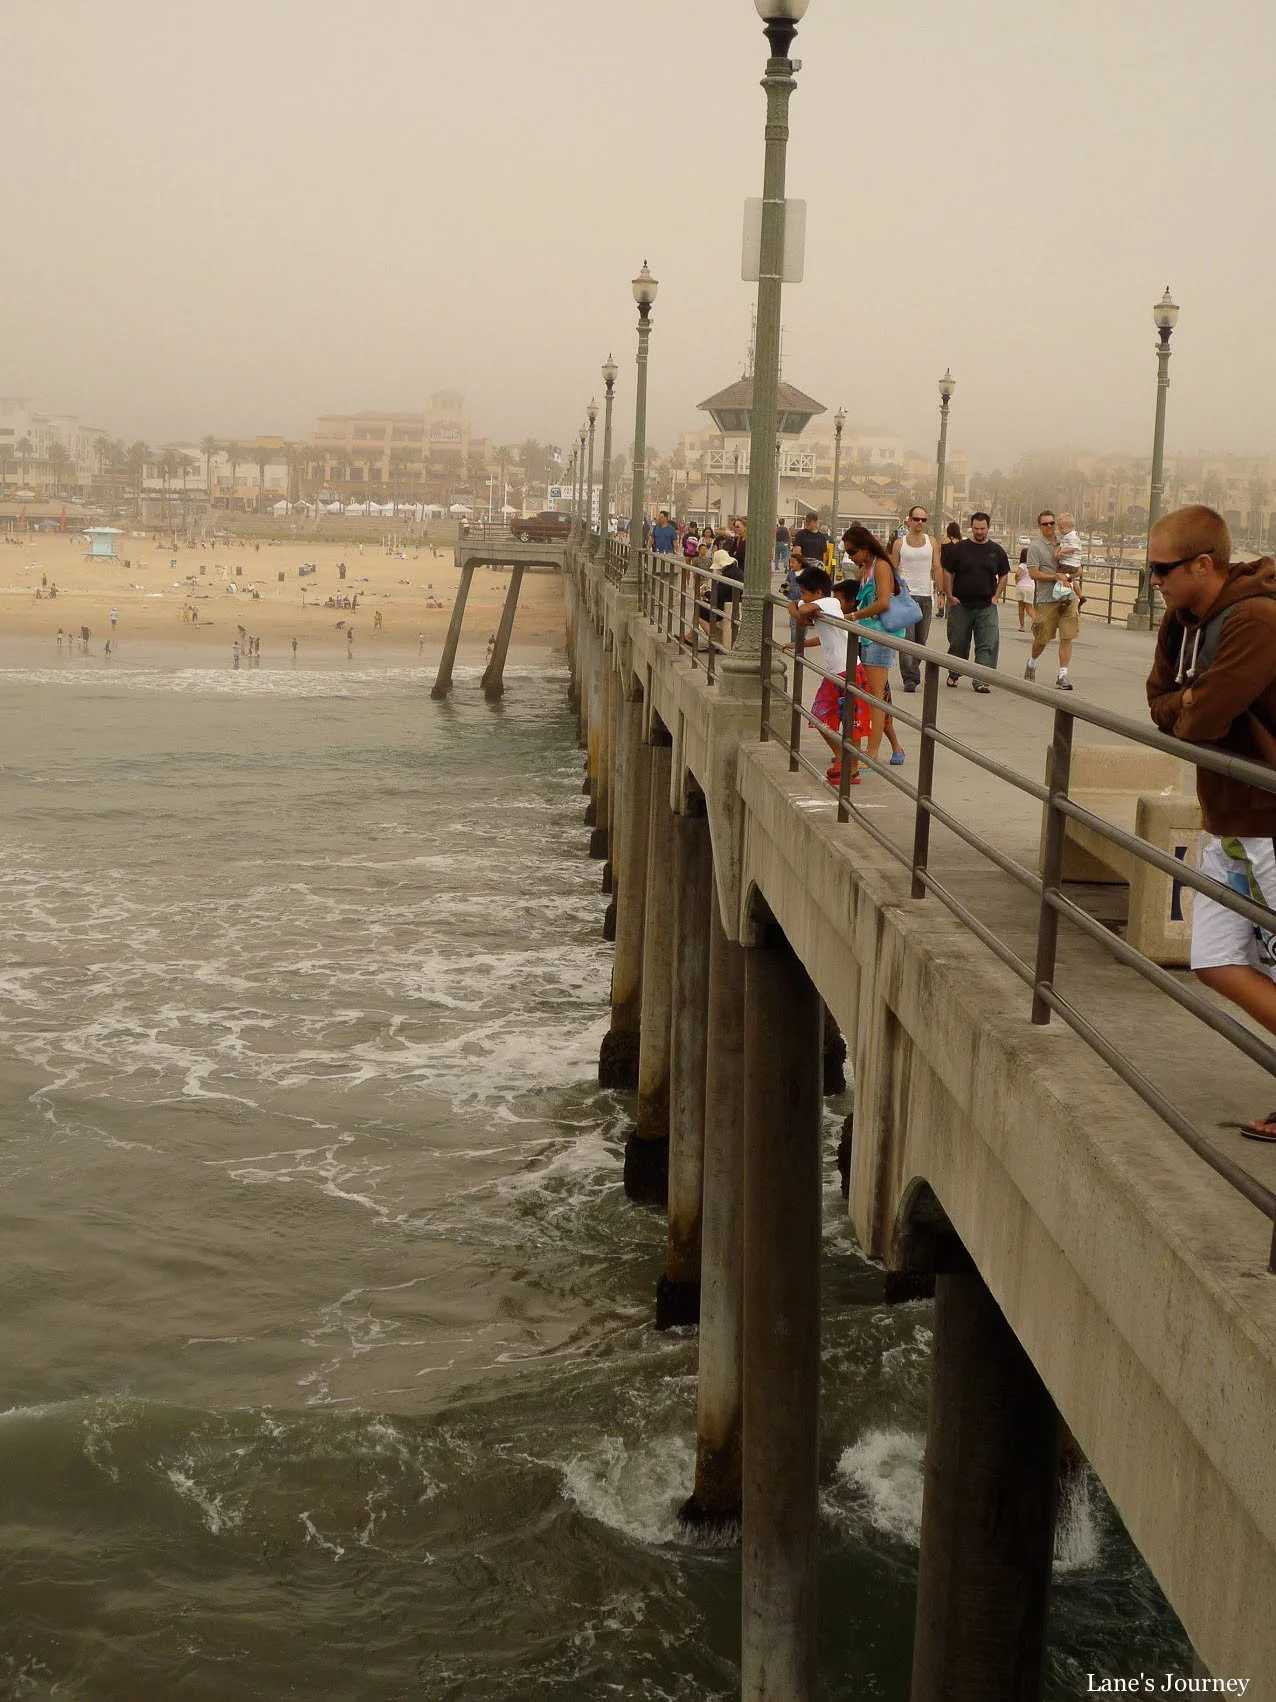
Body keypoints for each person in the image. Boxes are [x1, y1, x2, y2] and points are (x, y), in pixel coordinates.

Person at [1145, 505, 1276, 1140]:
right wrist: (1189, 701)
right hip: (1225, 815)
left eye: (1162, 569)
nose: (1153, 582)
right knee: (1215, 960)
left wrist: (1190, 705)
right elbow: (1158, 705)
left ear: (1203, 564)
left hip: (1269, 820)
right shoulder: (1180, 621)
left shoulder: (1257, 619)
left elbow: (1200, 722)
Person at [840, 524, 899, 771]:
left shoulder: (881, 566)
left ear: (865, 548)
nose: (850, 557)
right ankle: (873, 748)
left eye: (852, 552)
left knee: (876, 697)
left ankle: (872, 752)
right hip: (867, 636)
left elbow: (884, 602)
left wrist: (853, 616)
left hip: (880, 636)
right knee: (870, 694)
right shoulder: (866, 568)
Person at [787, 565, 848, 782]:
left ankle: (850, 766)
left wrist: (799, 611)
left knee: (851, 721)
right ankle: (843, 757)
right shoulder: (818, 604)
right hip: (834, 672)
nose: (802, 596)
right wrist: (798, 637)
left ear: (819, 592)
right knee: (820, 715)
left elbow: (801, 610)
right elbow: (796, 608)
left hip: (848, 670)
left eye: (805, 592)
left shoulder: (831, 603)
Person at [942, 512, 1008, 689]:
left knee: (987, 644)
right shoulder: (959, 549)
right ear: (971, 527)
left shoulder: (996, 550)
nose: (979, 532)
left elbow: (1004, 575)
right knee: (958, 642)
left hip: (987, 605)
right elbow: (947, 571)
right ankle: (954, 673)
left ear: (989, 528)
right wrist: (949, 595)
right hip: (961, 604)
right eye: (976, 528)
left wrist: (996, 597)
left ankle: (981, 679)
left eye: (982, 528)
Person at [1024, 509, 1079, 690]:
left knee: (1067, 636)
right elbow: (1033, 573)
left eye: (1052, 523)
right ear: (1039, 526)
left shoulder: (1066, 541)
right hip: (1046, 599)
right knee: (1042, 637)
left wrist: (1069, 575)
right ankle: (1032, 662)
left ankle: (1062, 675)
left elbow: (1079, 569)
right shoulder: (1035, 547)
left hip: (1068, 597)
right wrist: (1054, 577)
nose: (1049, 526)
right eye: (1045, 524)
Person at [891, 505, 942, 693]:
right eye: (916, 519)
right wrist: (892, 593)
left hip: (926, 596)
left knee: (921, 641)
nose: (920, 522)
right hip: (906, 596)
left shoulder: (932, 542)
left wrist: (941, 593)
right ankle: (910, 679)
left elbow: (937, 567)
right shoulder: (900, 543)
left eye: (923, 520)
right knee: (907, 639)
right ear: (909, 520)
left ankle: (912, 671)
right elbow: (893, 569)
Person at [1013, 548, 1034, 629]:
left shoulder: (1022, 565)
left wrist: (1016, 580)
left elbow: (1017, 574)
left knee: (1021, 607)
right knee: (1029, 608)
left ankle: (1022, 626)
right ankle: (1035, 621)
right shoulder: (1031, 566)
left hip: (1021, 586)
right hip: (1031, 587)